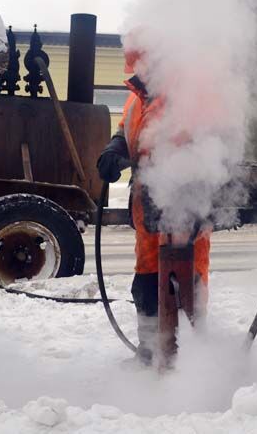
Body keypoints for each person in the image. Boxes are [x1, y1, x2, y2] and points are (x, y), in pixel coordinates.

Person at [96, 44, 211, 365]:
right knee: (146, 286)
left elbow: (209, 154)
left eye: (142, 67)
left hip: (183, 217)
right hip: (147, 212)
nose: (136, 74)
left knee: (186, 287)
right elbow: (125, 131)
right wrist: (114, 150)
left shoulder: (189, 99)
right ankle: (150, 352)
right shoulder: (138, 97)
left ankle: (191, 359)